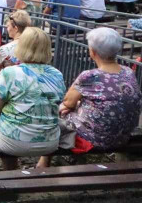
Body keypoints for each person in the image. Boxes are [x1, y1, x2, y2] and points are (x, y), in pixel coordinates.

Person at [39, 27, 141, 167]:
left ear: (93, 52)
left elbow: (68, 102)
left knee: (58, 113)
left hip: (96, 139)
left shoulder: (90, 76)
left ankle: (44, 162)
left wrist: (72, 105)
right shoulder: (128, 72)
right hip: (122, 136)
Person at [0, 27, 64, 164]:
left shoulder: (10, 73)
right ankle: (43, 167)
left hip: (14, 141)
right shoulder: (56, 75)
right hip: (50, 142)